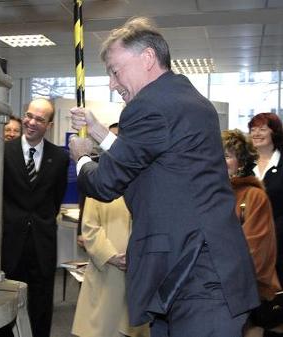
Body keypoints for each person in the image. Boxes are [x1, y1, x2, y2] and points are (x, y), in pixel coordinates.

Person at [68, 16, 259, 337]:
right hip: (196, 274)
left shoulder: (149, 106)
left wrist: (82, 156)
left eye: (115, 71)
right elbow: (151, 158)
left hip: (193, 278)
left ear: (146, 59)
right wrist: (101, 132)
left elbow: (104, 184)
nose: (113, 83)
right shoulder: (185, 99)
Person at [0, 98, 69, 337]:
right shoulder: (3, 152)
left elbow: (54, 200)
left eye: (39, 119)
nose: (31, 122)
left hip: (42, 244)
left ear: (49, 124)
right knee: (4, 304)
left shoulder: (59, 158)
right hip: (9, 243)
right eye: (29, 115)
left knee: (40, 306)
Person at [72, 124, 149, 337]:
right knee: (102, 328)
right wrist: (111, 256)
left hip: (139, 271)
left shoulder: (144, 177)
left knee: (133, 325)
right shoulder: (99, 177)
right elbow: (90, 225)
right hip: (107, 269)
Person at [222, 129, 281, 337]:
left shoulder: (254, 196)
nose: (220, 161)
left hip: (246, 293)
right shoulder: (211, 194)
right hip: (216, 293)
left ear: (242, 161)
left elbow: (255, 251)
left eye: (228, 156)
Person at [249, 113, 283, 285]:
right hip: (251, 244)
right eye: (253, 129)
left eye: (262, 129)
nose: (256, 133)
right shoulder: (245, 165)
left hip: (279, 242)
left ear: (274, 133)